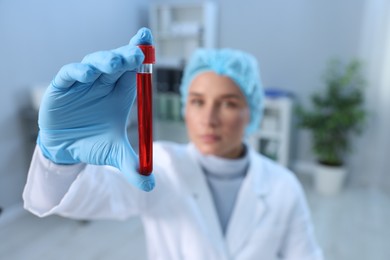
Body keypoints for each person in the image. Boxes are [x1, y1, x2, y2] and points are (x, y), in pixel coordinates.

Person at [23, 28, 323, 260]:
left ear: (252, 111)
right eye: (197, 101)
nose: (209, 118)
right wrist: (59, 160)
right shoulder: (160, 164)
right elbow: (85, 196)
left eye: (228, 103)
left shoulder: (284, 185)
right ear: (184, 108)